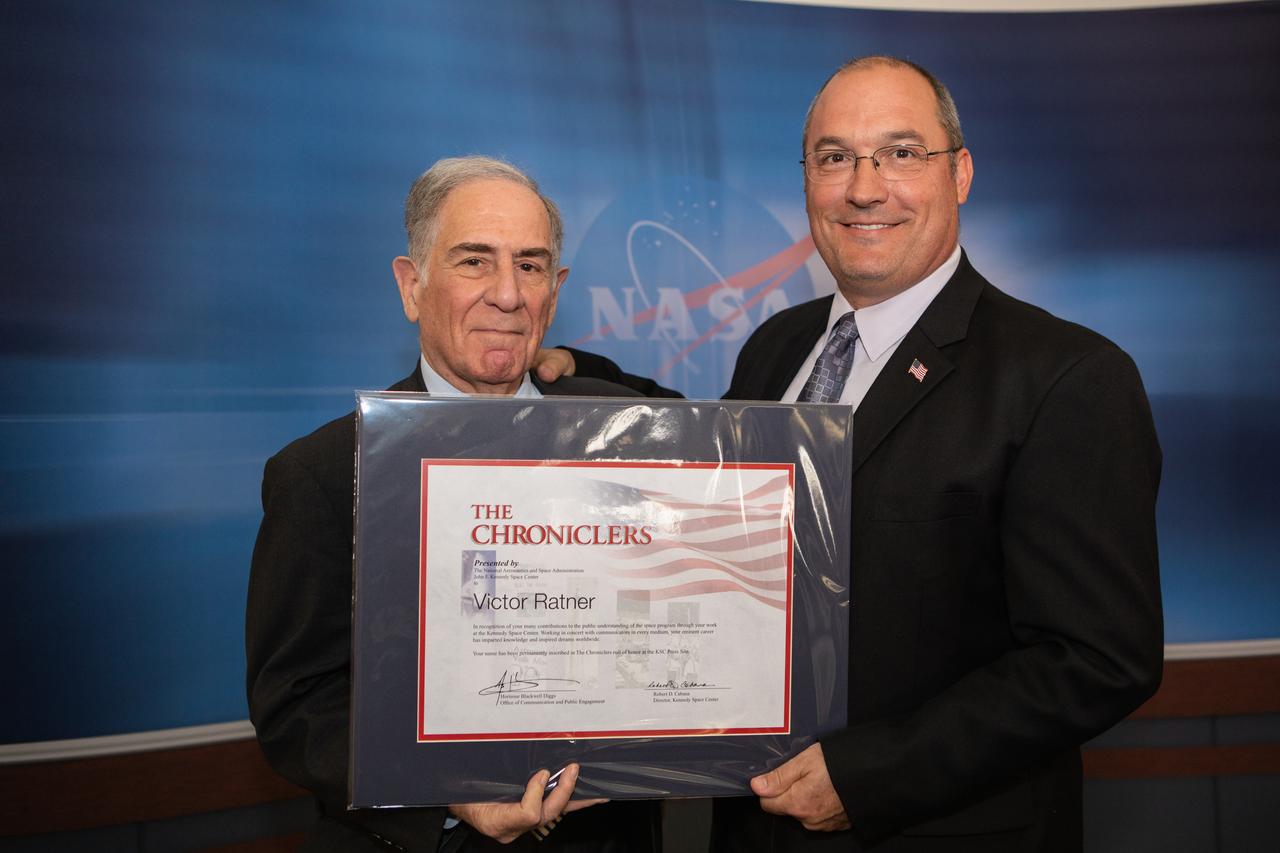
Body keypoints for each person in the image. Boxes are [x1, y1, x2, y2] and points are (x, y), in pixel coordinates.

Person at [550, 56, 1163, 851]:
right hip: (752, 825)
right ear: (807, 178)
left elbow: (1097, 657)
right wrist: (588, 382)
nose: (865, 187)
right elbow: (726, 496)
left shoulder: (1066, 377)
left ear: (961, 172)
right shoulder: (777, 347)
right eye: (835, 157)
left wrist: (872, 774)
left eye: (901, 153)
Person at [246, 156, 661, 853]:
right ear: (412, 286)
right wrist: (444, 787)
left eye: (530, 266)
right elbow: (297, 707)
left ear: (554, 293)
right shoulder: (320, 475)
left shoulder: (630, 433)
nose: (507, 293)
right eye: (475, 261)